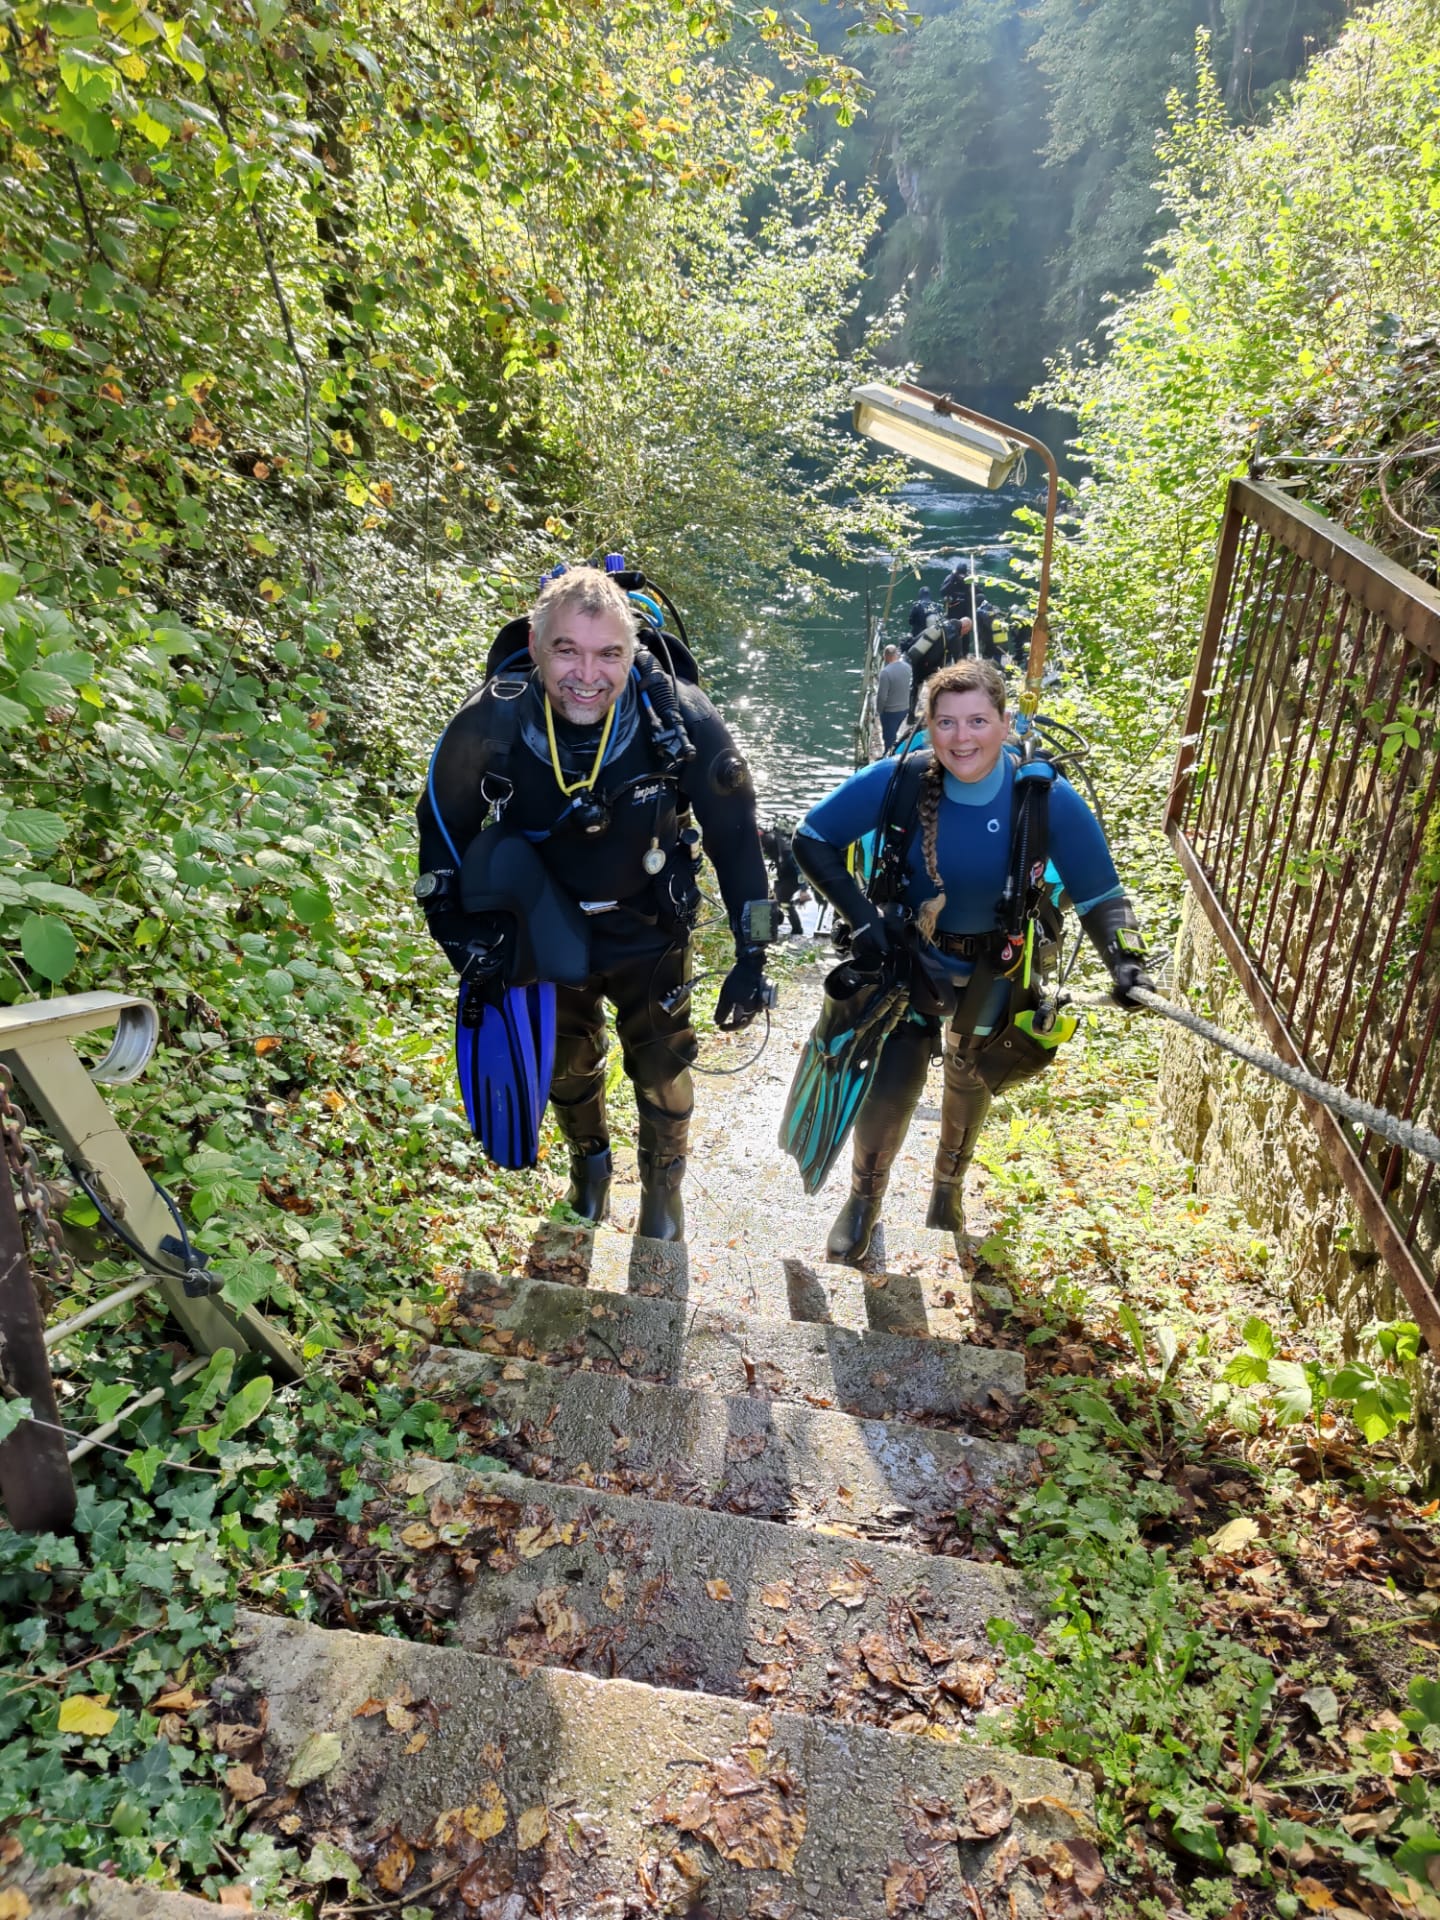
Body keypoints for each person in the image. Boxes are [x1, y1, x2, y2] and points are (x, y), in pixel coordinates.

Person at [417, 563, 777, 1243]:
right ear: (535, 644)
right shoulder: (490, 723)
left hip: (650, 927)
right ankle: (590, 1171)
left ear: (633, 649)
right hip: (540, 929)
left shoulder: (683, 718)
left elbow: (736, 840)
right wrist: (457, 936)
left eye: (609, 653)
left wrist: (753, 952)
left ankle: (663, 1186)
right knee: (565, 1063)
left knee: (664, 1064)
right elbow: (440, 835)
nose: (588, 675)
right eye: (567, 651)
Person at [789, 659, 1153, 1265]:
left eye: (978, 721)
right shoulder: (898, 782)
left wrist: (1126, 963)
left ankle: (947, 1191)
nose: (962, 738)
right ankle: (863, 1201)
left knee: (969, 1076)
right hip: (909, 961)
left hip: (996, 966)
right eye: (947, 723)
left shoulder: (1043, 800)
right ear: (928, 728)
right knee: (889, 1084)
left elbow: (1101, 895)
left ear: (1006, 724)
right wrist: (865, 920)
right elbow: (811, 837)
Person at [761, 821, 808, 937]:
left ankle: (797, 930)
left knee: (784, 901)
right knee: (773, 897)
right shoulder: (773, 841)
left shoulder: (785, 851)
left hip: (792, 877)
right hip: (782, 874)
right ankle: (773, 925)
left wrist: (803, 889)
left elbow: (800, 868)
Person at [876, 643, 911, 752]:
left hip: (890, 711)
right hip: (904, 708)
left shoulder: (885, 673)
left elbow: (882, 696)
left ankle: (889, 755)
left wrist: (879, 711)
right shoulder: (907, 667)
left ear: (885, 656)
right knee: (895, 733)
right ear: (896, 654)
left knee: (888, 739)